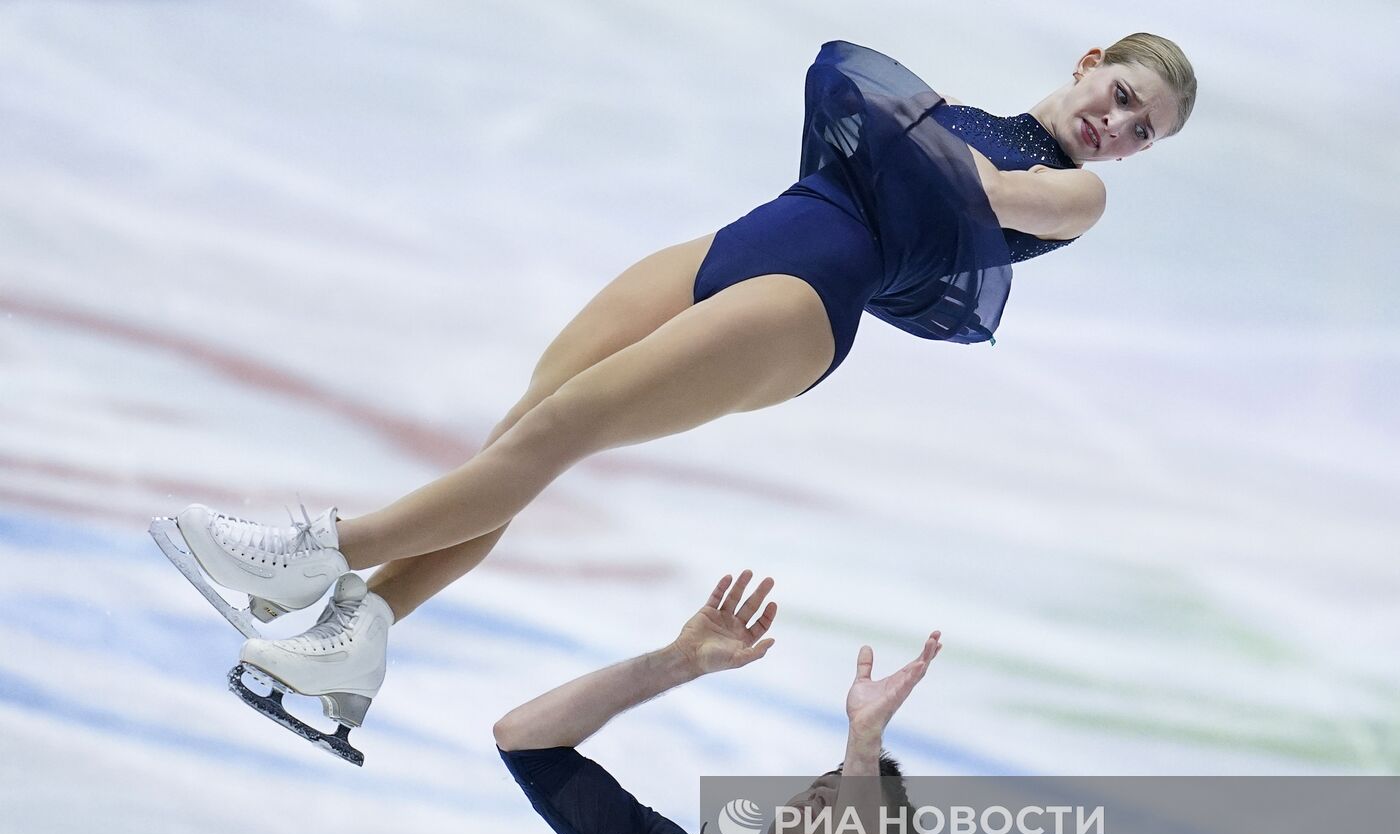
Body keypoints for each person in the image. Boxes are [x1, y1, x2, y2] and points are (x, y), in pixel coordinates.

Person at [151, 36, 1195, 756]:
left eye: (1141, 132)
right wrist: (894, 132)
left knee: (560, 432)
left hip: (803, 301)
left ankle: (316, 554)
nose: (1116, 127)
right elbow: (909, 150)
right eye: (1120, 98)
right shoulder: (955, 112)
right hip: (750, 238)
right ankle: (362, 632)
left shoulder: (1077, 193)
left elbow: (986, 193)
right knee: (519, 431)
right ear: (1087, 62)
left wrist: (893, 131)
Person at [491, 571, 941, 834]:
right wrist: (678, 661)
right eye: (826, 782)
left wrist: (863, 744)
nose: (823, 793)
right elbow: (526, 741)